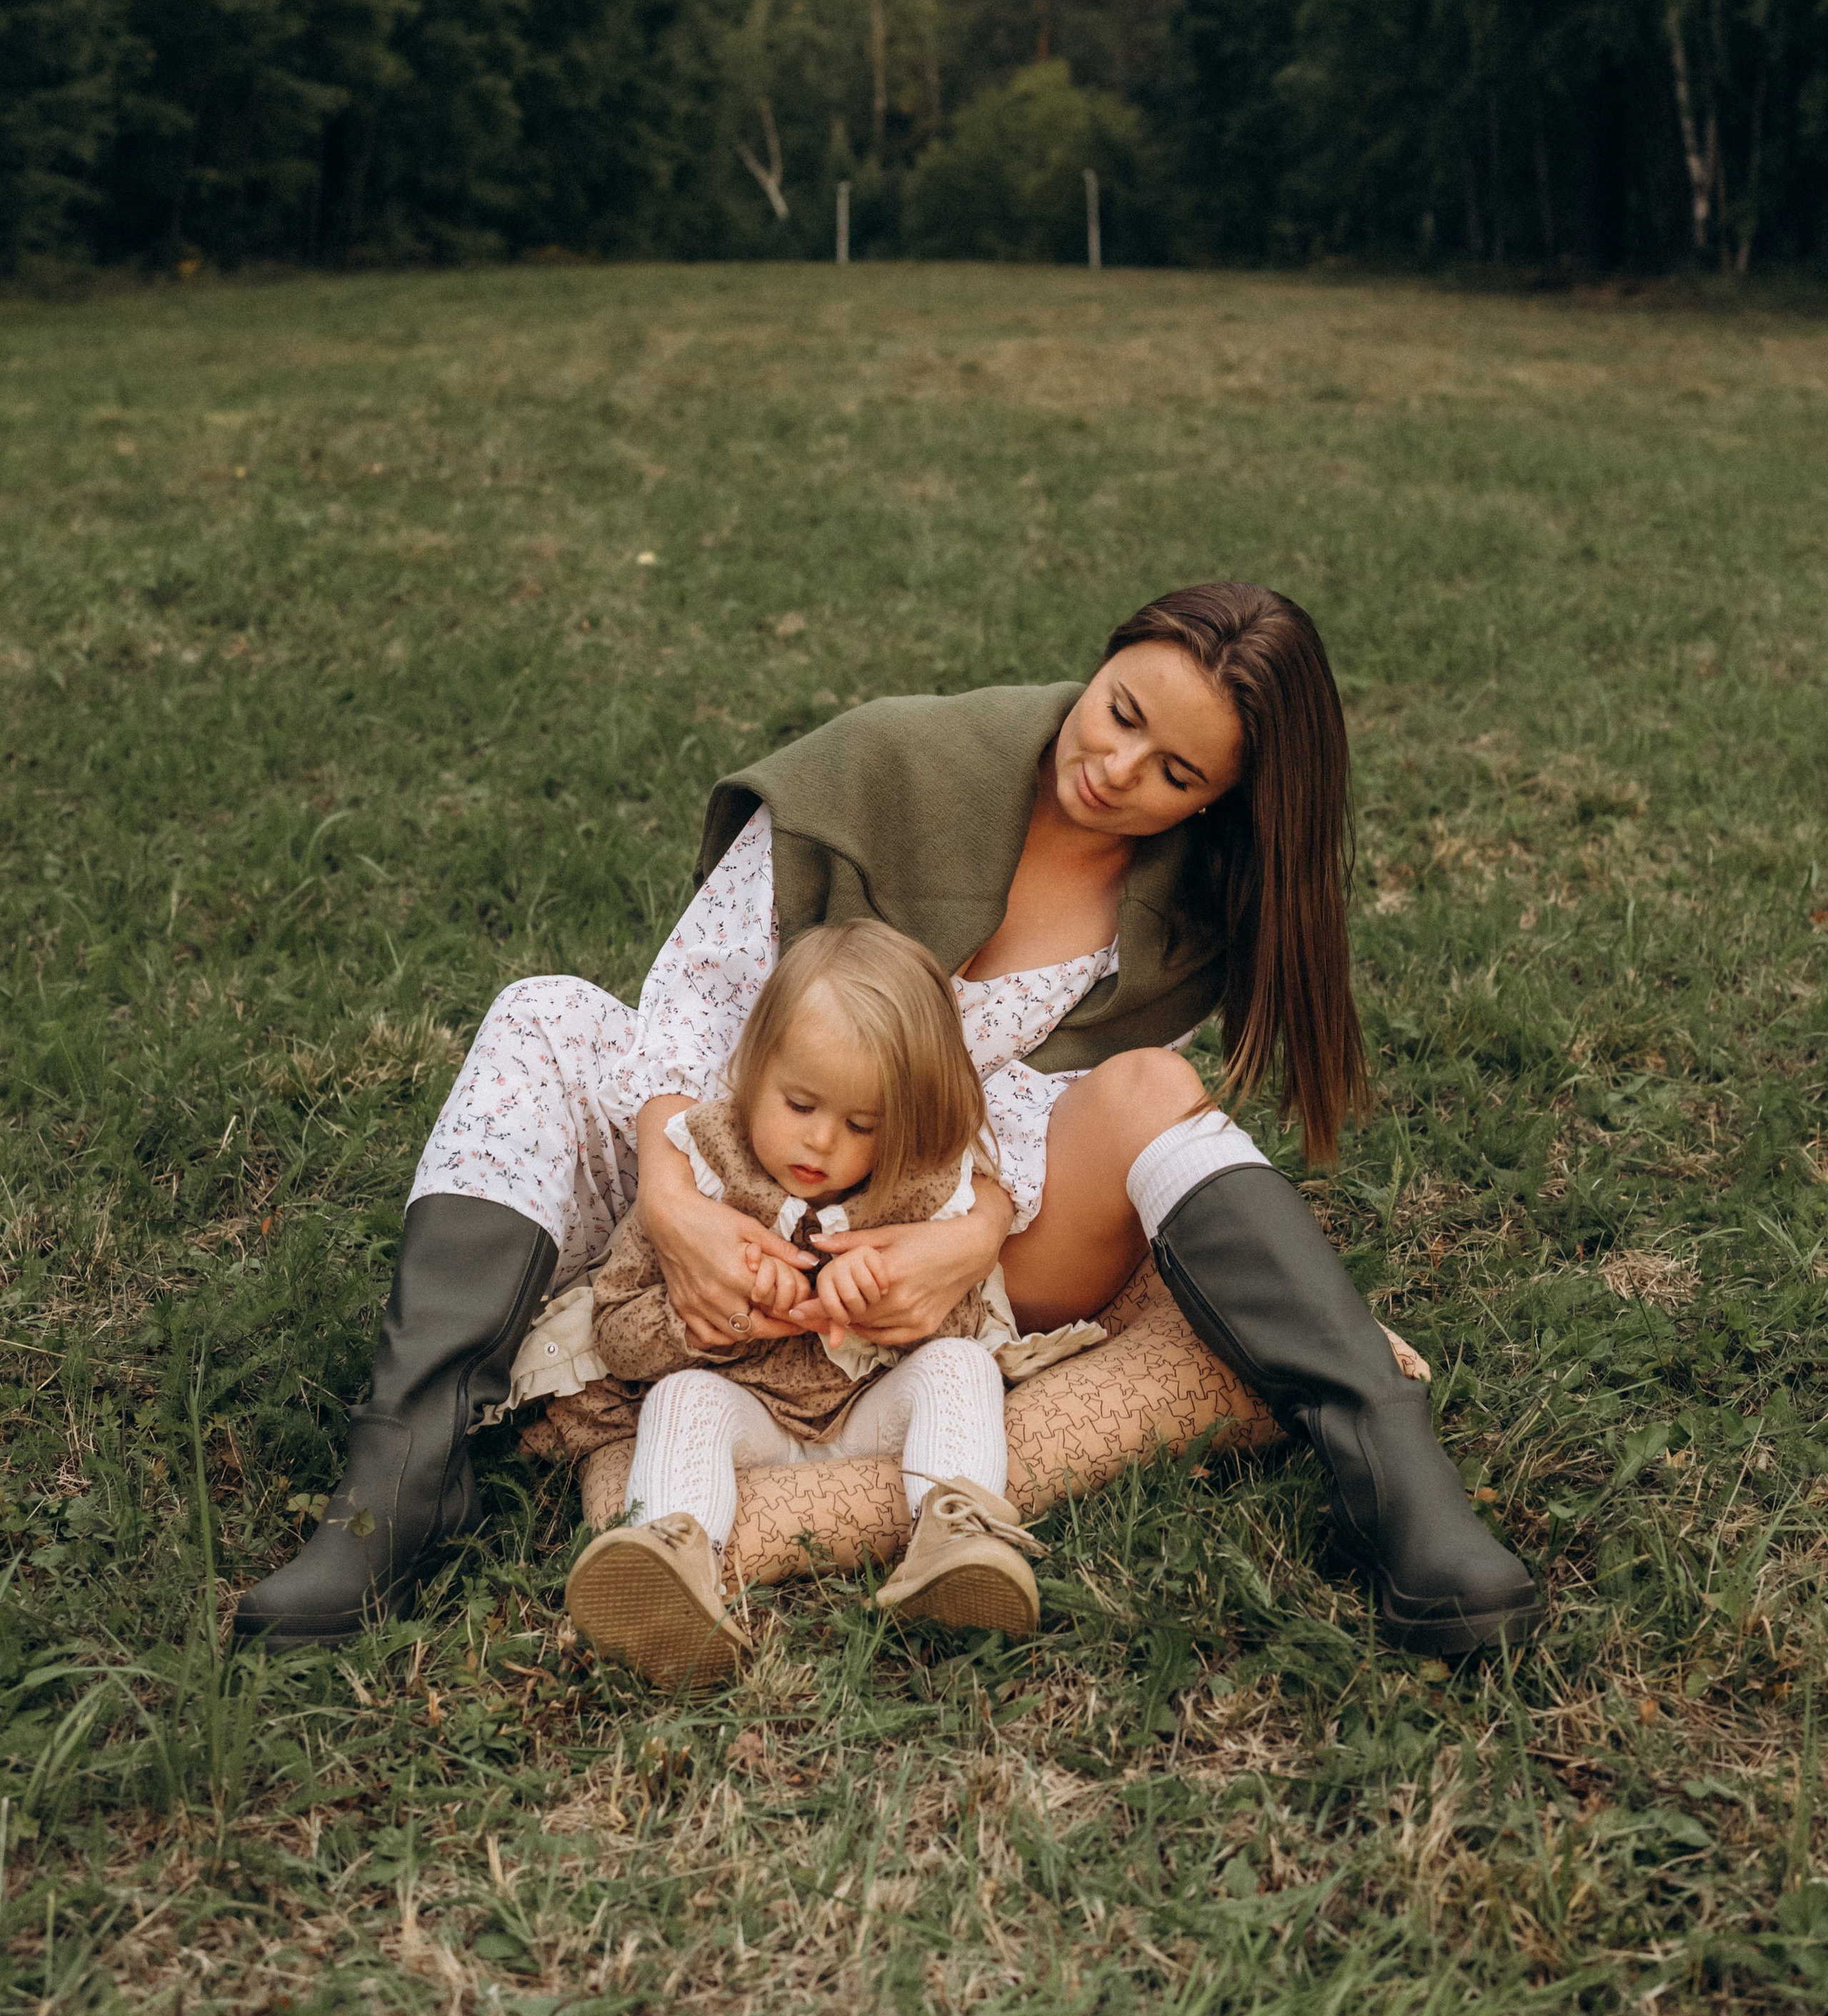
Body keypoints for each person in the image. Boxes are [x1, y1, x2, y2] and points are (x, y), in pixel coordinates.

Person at [232, 581, 1540, 1658]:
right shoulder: (893, 763)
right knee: (545, 1012)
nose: (1115, 766)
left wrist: (962, 1245)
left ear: (1219, 801)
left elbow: (1048, 1114)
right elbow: (695, 995)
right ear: (1093, 671)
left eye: (1173, 770)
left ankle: (1392, 1472)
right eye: (1118, 711)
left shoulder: (1194, 917)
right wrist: (676, 1200)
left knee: (1148, 1089)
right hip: (738, 1181)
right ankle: (403, 1472)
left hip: (960, 1254)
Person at [563, 918, 1053, 1686]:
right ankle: (673, 1560)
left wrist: (888, 1308)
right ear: (753, 1072)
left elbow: (969, 1319)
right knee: (682, 1400)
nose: (821, 1144)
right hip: (746, 1414)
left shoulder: (922, 1190)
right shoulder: (701, 1173)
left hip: (870, 1413)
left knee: (962, 1368)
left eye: (863, 1125)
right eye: (799, 1105)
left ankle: (956, 1541)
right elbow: (617, 1333)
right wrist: (711, 1326)